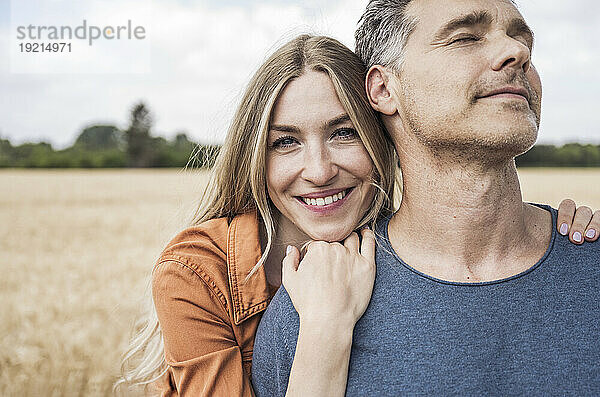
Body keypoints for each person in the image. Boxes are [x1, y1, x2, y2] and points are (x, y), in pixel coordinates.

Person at [116, 34, 597, 396]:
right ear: (254, 157)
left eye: (344, 133)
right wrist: (325, 328)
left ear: (382, 138)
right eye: (286, 142)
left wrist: (557, 236)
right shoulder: (196, 272)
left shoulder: (400, 252)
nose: (320, 171)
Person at [251, 1, 600, 396]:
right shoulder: (310, 311)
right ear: (384, 89)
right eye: (465, 37)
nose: (516, 52)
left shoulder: (590, 251)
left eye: (521, 39)